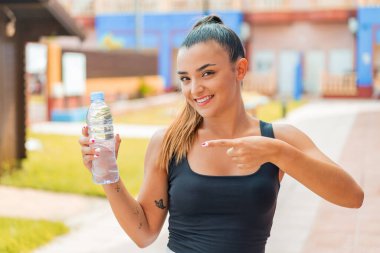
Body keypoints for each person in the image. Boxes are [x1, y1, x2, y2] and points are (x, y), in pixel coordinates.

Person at [79, 15, 364, 253]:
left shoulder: (279, 138)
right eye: (185, 79)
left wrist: (277, 152)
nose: (194, 89)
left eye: (207, 74)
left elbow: (352, 196)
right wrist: (109, 175)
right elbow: (144, 233)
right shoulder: (167, 142)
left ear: (239, 69)